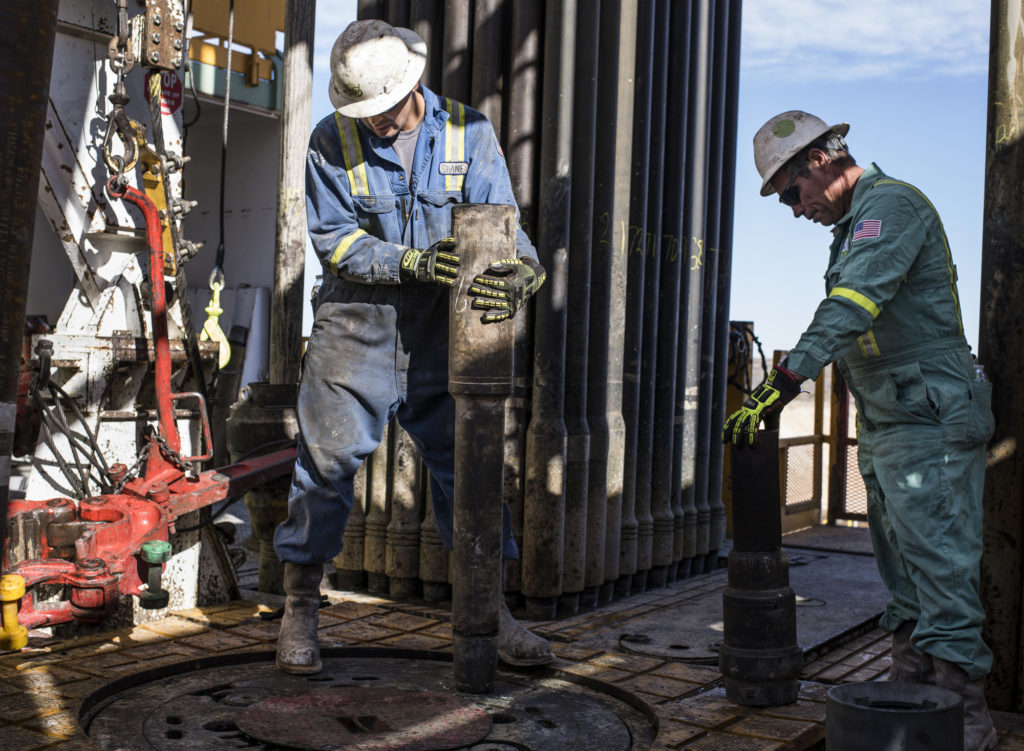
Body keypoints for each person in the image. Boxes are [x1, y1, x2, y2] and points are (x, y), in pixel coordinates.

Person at [273, 19, 552, 676]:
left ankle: (492, 612)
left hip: (441, 333)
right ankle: (299, 610)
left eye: (384, 110)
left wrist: (524, 273)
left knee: (472, 473)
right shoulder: (329, 139)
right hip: (355, 326)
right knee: (325, 469)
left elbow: (504, 225)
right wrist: (409, 261)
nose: (375, 124)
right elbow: (335, 241)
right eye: (363, 112)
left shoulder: (469, 133)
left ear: (412, 84)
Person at [722, 111, 997, 751]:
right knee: (902, 569)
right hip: (891, 419)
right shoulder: (852, 228)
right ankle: (908, 692)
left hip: (927, 420)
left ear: (820, 160)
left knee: (941, 567)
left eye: (790, 193)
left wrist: (782, 382)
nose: (794, 210)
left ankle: (961, 716)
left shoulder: (890, 209)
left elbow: (852, 305)